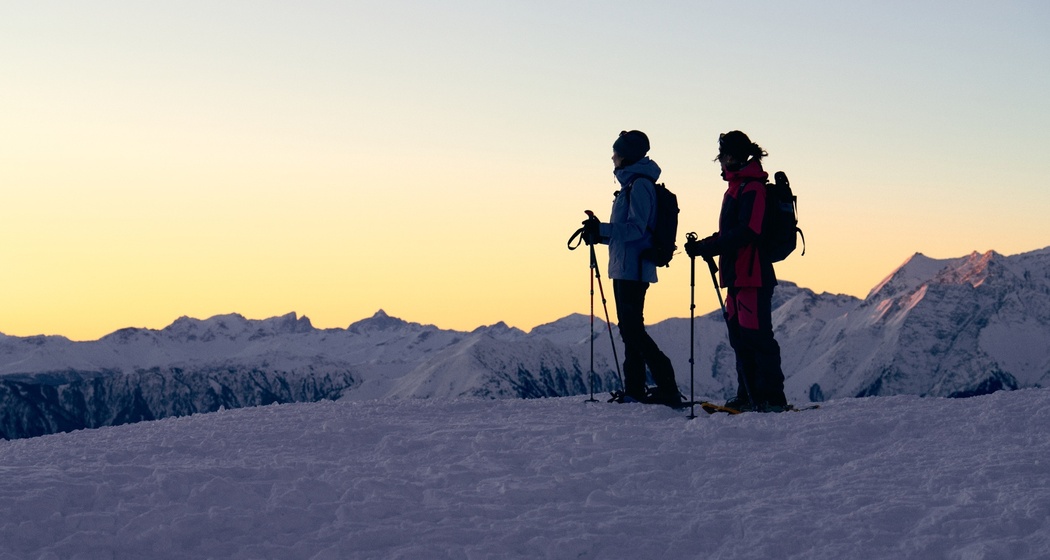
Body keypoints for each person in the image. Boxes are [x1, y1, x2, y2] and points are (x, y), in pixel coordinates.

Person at [685, 130, 788, 412]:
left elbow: (750, 230)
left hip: (752, 275)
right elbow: (731, 232)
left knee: (757, 337)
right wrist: (708, 244)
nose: (720, 163)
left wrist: (712, 246)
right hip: (736, 275)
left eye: (721, 157)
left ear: (731, 157)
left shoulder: (752, 188)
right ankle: (750, 394)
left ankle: (771, 398)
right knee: (740, 338)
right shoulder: (737, 188)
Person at [582, 130, 681, 406]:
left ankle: (666, 384)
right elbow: (625, 232)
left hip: (634, 268)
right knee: (629, 329)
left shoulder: (640, 186)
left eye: (616, 153)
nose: (613, 158)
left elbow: (638, 229)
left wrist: (602, 229)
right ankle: (635, 389)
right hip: (626, 266)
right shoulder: (631, 185)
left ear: (626, 156)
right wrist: (598, 233)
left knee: (632, 330)